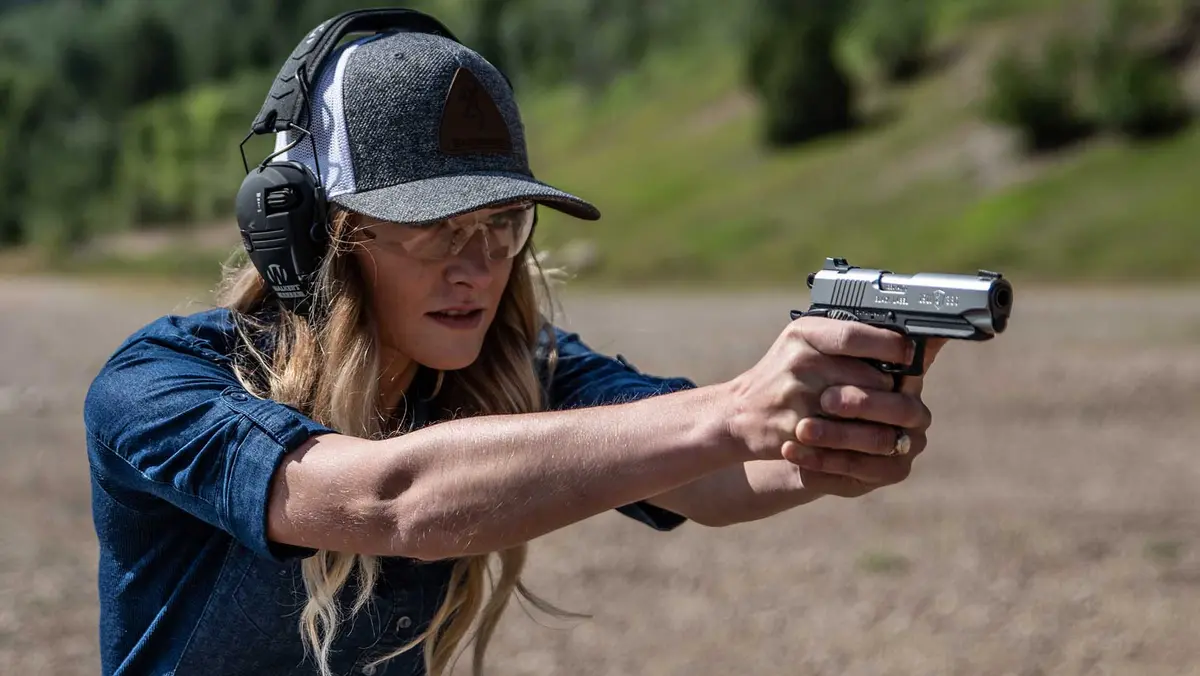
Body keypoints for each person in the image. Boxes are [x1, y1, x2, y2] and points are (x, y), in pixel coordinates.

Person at [82, 13, 946, 676]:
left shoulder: (516, 364)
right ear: (314, 237)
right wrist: (733, 411)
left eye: (501, 223)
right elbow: (388, 501)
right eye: (436, 227)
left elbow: (711, 475)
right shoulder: (164, 387)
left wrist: (820, 437)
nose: (479, 268)